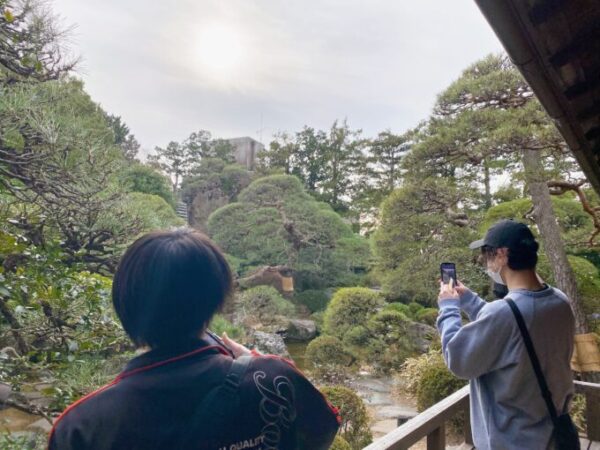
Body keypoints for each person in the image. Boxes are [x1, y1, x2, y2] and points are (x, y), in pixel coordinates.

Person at [48, 229, 340, 450]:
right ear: (215, 298)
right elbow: (322, 431)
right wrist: (255, 363)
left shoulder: (81, 425)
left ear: (126, 303)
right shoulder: (272, 379)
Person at [436, 219, 575, 450]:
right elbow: (516, 328)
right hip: (552, 434)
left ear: (501, 255)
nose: (485, 262)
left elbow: (457, 359)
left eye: (487, 254)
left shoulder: (504, 314)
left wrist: (449, 307)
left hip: (514, 441)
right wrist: (469, 300)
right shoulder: (559, 301)